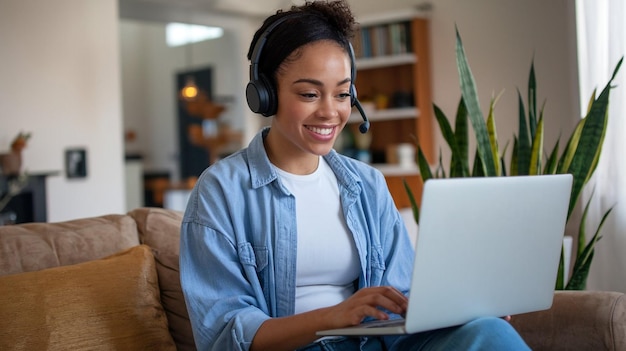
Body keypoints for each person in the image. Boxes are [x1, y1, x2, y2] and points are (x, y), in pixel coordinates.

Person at [179, 1, 531, 350]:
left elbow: (400, 296)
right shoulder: (221, 191)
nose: (330, 112)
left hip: (375, 344)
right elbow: (225, 335)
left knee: (489, 332)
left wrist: (457, 313)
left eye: (343, 94)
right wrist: (333, 317)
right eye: (309, 94)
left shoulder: (366, 184)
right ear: (265, 95)